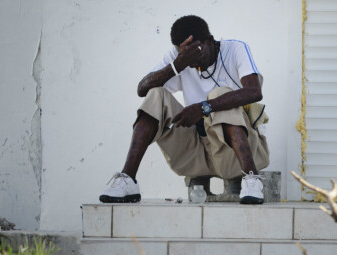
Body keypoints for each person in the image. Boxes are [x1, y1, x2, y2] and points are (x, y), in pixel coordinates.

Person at [99, 15, 269, 204]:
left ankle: (252, 179)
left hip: (233, 156)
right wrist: (177, 65)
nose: (194, 62)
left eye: (197, 53)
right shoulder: (179, 58)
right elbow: (142, 89)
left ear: (210, 41)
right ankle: (127, 179)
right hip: (195, 154)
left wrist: (204, 107)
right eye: (188, 57)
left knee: (220, 96)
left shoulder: (235, 49)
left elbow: (254, 91)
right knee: (156, 95)